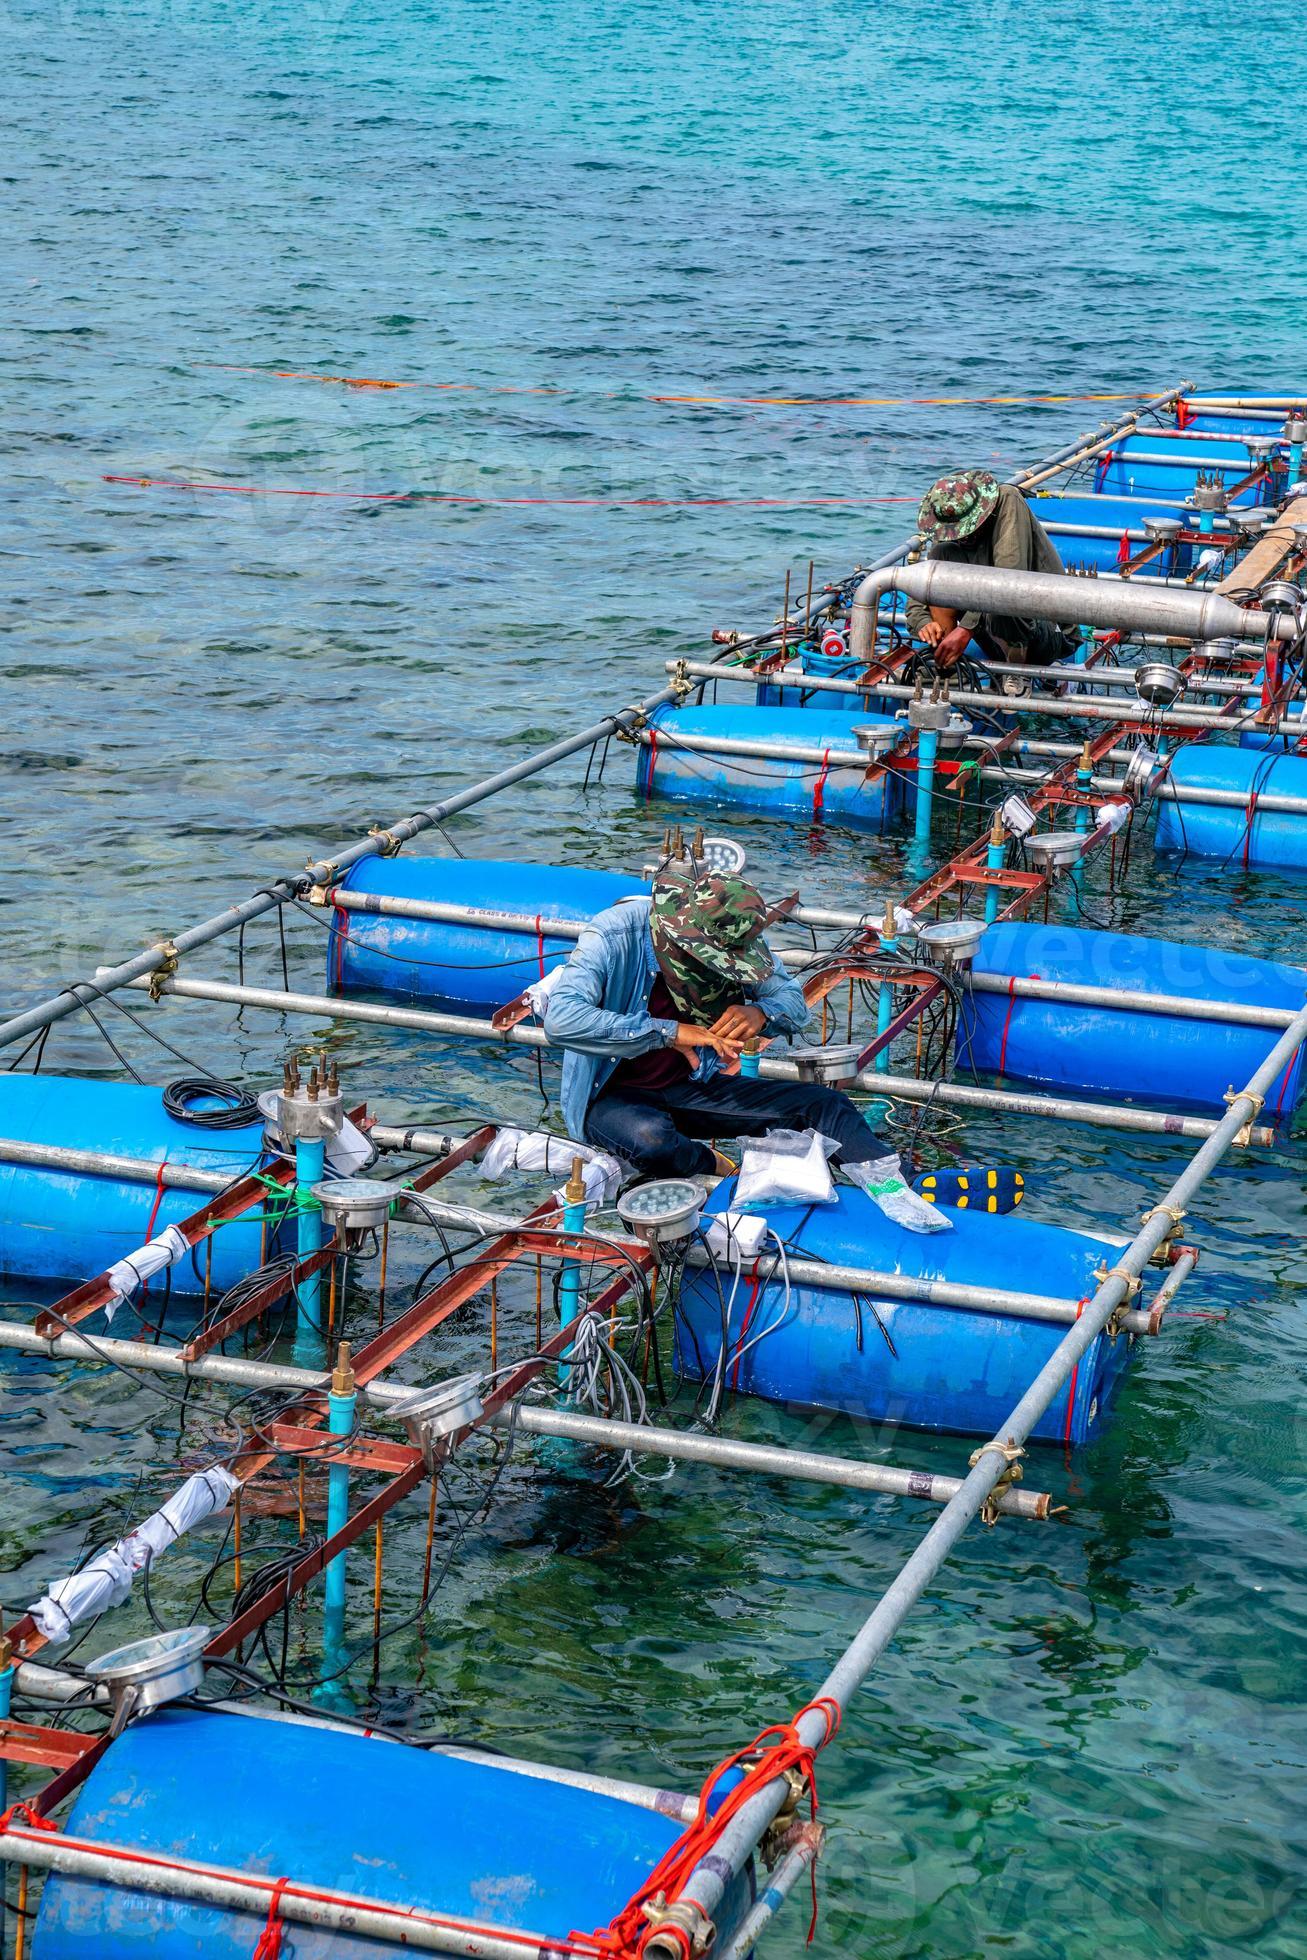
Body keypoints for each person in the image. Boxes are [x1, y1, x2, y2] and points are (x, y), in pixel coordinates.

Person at [543, 869, 885, 1181]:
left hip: (689, 1084)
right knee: (652, 1141)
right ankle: (710, 1164)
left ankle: (897, 1189)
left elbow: (793, 1004)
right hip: (609, 1095)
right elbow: (561, 1019)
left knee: (824, 1105)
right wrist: (668, 1033)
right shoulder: (613, 933)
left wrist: (761, 1013)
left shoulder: (735, 933)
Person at [904, 470, 1078, 681]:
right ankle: (946, 665)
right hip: (991, 634)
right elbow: (917, 600)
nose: (963, 536)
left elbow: (1006, 582)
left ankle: (1016, 674)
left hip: (1046, 631)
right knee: (942, 557)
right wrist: (924, 624)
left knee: (1003, 605)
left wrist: (966, 629)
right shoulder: (948, 529)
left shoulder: (1008, 500)